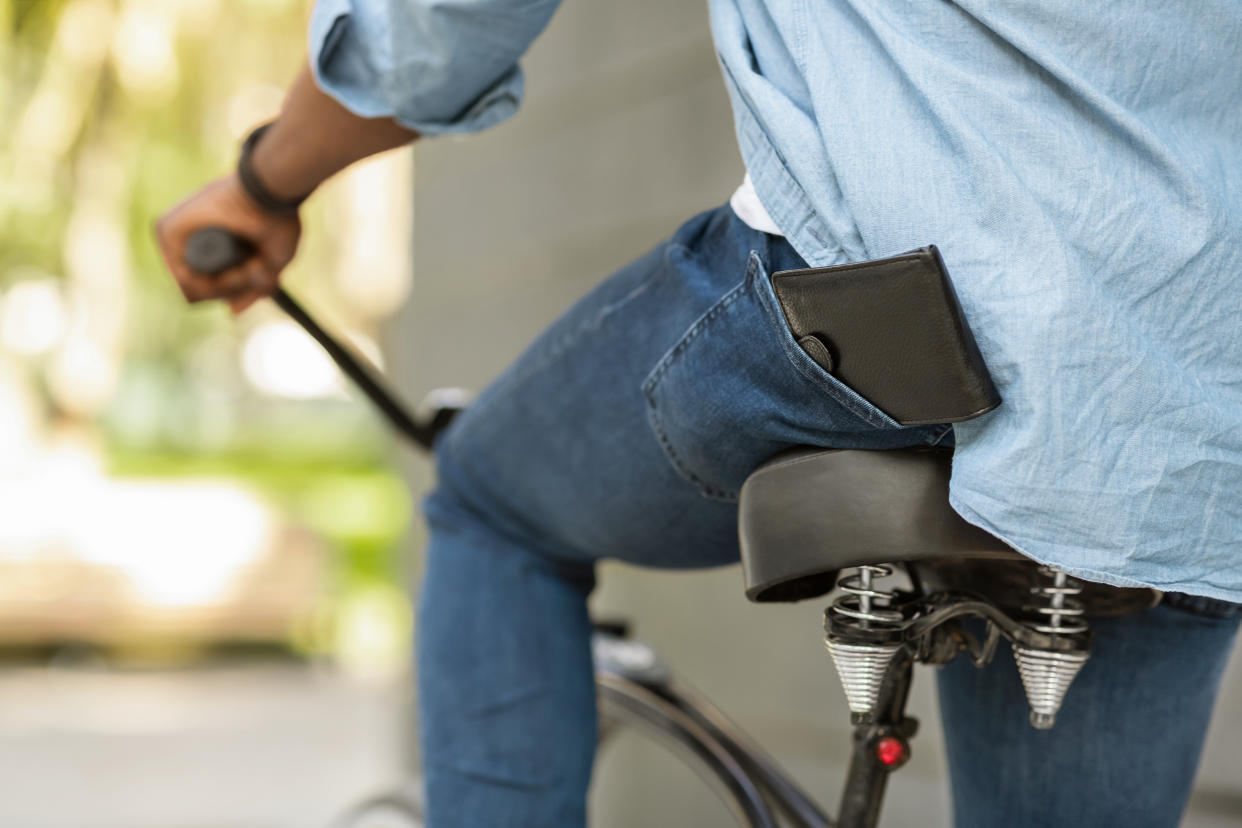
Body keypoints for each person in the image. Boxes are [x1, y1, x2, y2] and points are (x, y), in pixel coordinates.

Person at [155, 2, 1242, 826]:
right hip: (1193, 375)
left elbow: (438, 29)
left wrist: (266, 181)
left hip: (875, 293)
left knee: (490, 508)